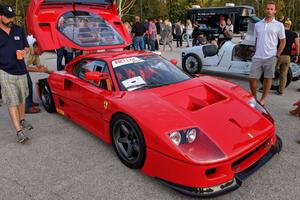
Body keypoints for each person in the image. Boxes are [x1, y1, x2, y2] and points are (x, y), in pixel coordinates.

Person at [0, 4, 32, 143]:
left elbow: (27, 47)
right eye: (7, 17)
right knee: (13, 101)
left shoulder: (18, 29)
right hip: (5, 72)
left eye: (12, 17)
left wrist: (24, 52)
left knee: (22, 98)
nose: (10, 20)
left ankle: (22, 119)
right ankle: (19, 131)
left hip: (21, 70)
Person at [249, 1, 286, 106]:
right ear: (264, 10)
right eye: (267, 8)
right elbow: (256, 39)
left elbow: (283, 41)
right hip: (258, 56)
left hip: (271, 56)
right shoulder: (257, 25)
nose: (269, 10)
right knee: (252, 78)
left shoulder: (279, 25)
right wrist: (255, 51)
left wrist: (278, 54)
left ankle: (263, 99)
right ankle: (254, 98)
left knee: (268, 78)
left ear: (275, 11)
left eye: (271, 9)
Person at [25, 42, 52, 114]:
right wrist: (38, 70)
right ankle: (27, 107)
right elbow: (24, 67)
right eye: (42, 50)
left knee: (29, 84)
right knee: (26, 85)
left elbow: (39, 66)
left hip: (22, 69)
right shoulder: (27, 50)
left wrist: (51, 72)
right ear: (36, 47)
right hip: (16, 68)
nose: (43, 52)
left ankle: (30, 102)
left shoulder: (36, 54)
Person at [275, 20, 299, 95]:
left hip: (277, 55)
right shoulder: (294, 34)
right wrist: (297, 55)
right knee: (284, 75)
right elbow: (297, 45)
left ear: (283, 25)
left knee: (269, 72)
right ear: (290, 25)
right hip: (287, 57)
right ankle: (281, 91)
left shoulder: (279, 32)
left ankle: (265, 87)